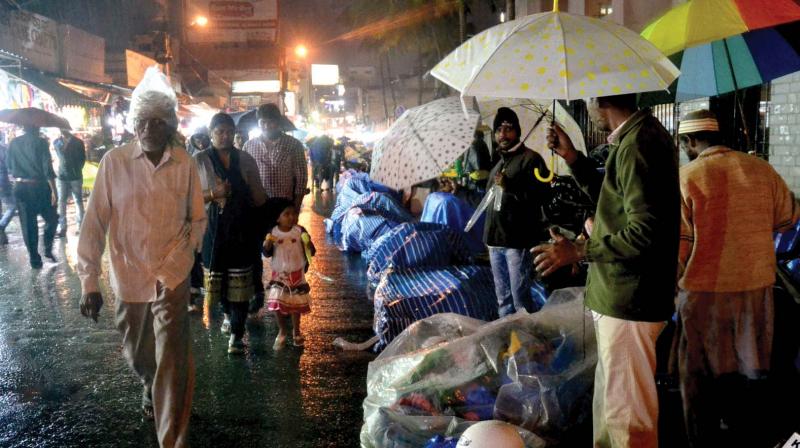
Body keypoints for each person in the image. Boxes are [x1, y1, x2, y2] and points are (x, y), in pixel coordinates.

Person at [533, 94, 680, 447]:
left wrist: (580, 250)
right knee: (612, 405)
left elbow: (645, 232)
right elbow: (612, 198)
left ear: (601, 99)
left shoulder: (639, 145)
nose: (586, 108)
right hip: (622, 295)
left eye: (586, 100)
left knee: (627, 416)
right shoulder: (634, 139)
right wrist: (573, 159)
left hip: (630, 297)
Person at [77, 67, 206, 448]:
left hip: (173, 274)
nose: (149, 128)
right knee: (139, 354)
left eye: (158, 121)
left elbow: (197, 220)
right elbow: (94, 222)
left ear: (169, 126)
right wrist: (89, 281)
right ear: (133, 125)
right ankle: (148, 383)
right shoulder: (114, 163)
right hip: (129, 276)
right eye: (142, 121)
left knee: (172, 359)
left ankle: (173, 438)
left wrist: (182, 261)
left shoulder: (185, 164)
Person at [675, 110, 800, 446]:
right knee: (749, 370)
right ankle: (746, 435)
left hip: (704, 294)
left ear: (690, 141)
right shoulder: (763, 170)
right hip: (755, 291)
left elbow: (680, 247)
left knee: (699, 376)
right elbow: (788, 219)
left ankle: (703, 440)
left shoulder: (687, 176)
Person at [194, 112, 266, 354]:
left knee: (241, 282)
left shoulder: (246, 160)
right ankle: (227, 314)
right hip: (212, 231)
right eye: (219, 132)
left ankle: (236, 334)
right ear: (211, 133)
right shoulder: (199, 161)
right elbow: (187, 197)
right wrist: (214, 194)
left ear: (234, 133)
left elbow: (258, 195)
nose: (225, 136)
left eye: (228, 132)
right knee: (220, 281)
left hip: (242, 231)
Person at [484, 108, 551, 317]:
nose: (503, 134)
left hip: (517, 242)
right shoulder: (498, 165)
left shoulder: (532, 159)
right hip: (495, 241)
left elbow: (543, 197)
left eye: (508, 128)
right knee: (502, 300)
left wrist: (510, 186)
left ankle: (527, 344)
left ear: (518, 131)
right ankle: (509, 341)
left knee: (520, 299)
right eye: (499, 129)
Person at [243, 103, 308, 315]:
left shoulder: (294, 145)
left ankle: (286, 291)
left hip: (283, 205)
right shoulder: (249, 146)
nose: (266, 124)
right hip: (258, 204)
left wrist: (295, 209)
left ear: (277, 122)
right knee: (257, 248)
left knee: (284, 248)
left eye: (270, 120)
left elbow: (301, 178)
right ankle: (257, 291)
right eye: (262, 121)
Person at [262, 203, 315, 349]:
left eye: (293, 213)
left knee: (295, 305)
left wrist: (308, 244)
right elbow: (266, 252)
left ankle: (296, 332)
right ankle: (282, 331)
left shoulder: (300, 231)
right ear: (278, 218)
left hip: (296, 273)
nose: (291, 217)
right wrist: (267, 244)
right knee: (276, 303)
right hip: (279, 274)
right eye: (287, 214)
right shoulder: (273, 233)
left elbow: (311, 250)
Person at [6, 126, 59, 268]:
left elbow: (9, 165)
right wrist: (54, 190)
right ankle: (47, 248)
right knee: (52, 218)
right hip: (40, 187)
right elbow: (48, 168)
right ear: (37, 128)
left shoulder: (14, 143)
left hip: (21, 187)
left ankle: (35, 260)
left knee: (29, 225)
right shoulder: (41, 142)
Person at [53, 128, 86, 237]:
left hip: (75, 175)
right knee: (61, 201)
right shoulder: (57, 142)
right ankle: (62, 227)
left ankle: (81, 226)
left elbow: (82, 159)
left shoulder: (78, 142)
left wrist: (76, 169)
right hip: (62, 176)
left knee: (78, 201)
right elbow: (61, 156)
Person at [462, 129, 492, 201]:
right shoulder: (484, 144)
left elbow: (472, 161)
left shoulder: (472, 145)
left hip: (476, 175)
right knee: (484, 194)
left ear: (474, 136)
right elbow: (488, 157)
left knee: (475, 197)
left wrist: (465, 171)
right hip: (486, 173)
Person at [0, 131, 16, 245]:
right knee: (12, 206)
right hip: (2, 182)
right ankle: (1, 226)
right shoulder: (3, 149)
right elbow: (9, 166)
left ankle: (2, 237)